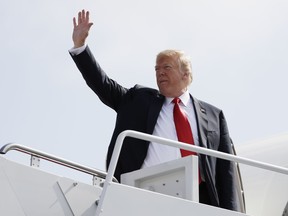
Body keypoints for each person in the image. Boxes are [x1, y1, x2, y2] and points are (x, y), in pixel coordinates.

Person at [69, 10, 241, 212]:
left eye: (166, 67)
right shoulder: (138, 99)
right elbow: (103, 85)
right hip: (146, 193)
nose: (160, 72)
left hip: (200, 199)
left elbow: (226, 171)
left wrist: (232, 212)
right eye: (156, 69)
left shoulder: (214, 115)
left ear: (186, 74)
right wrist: (81, 47)